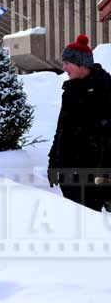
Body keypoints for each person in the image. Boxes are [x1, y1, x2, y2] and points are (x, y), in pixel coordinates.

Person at [48, 34, 111, 212]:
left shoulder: (105, 88)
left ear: (82, 64)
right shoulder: (69, 91)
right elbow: (61, 130)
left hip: (94, 178)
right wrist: (54, 163)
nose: (64, 67)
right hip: (68, 175)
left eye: (68, 62)